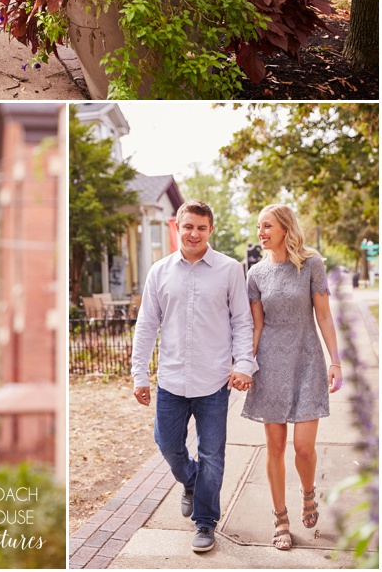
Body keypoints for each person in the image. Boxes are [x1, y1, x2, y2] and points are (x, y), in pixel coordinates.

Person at [130, 200, 257, 555]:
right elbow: (146, 327)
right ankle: (190, 480)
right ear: (177, 227)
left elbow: (241, 322)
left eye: (201, 228)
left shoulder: (230, 270)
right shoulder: (159, 271)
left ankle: (205, 522)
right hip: (170, 379)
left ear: (210, 230)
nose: (194, 234)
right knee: (167, 444)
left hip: (214, 380)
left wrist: (244, 363)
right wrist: (139, 373)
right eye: (188, 227)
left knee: (212, 455)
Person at [240, 204, 343, 551]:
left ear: (285, 228)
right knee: (274, 447)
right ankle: (280, 518)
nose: (261, 232)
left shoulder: (311, 265)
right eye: (258, 227)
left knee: (303, 447)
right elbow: (256, 326)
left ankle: (308, 491)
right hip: (270, 366)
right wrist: (245, 365)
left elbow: (325, 317)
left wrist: (336, 361)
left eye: (267, 225)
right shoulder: (255, 274)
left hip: (307, 362)